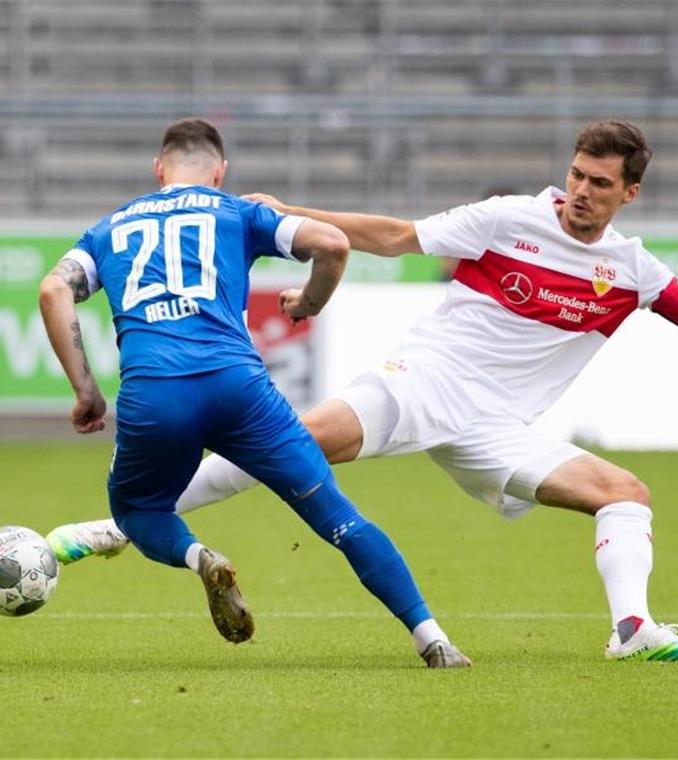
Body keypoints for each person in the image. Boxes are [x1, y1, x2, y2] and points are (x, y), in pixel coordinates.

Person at [51, 120, 678, 663]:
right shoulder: (509, 219)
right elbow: (394, 235)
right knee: (298, 441)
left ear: (631, 194)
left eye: (599, 184)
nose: (580, 191)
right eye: (577, 175)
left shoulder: (633, 270)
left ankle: (633, 630)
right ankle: (120, 526)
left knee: (623, 492)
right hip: (427, 377)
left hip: (498, 424)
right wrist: (296, 215)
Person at [40, 117, 470, 668]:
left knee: (136, 512)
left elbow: (54, 289)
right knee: (339, 517)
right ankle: (432, 639)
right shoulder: (235, 211)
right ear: (220, 172)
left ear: (158, 168)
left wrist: (86, 393)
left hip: (155, 394)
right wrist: (310, 302)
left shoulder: (109, 228)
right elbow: (333, 243)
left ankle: (201, 558)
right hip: (239, 389)